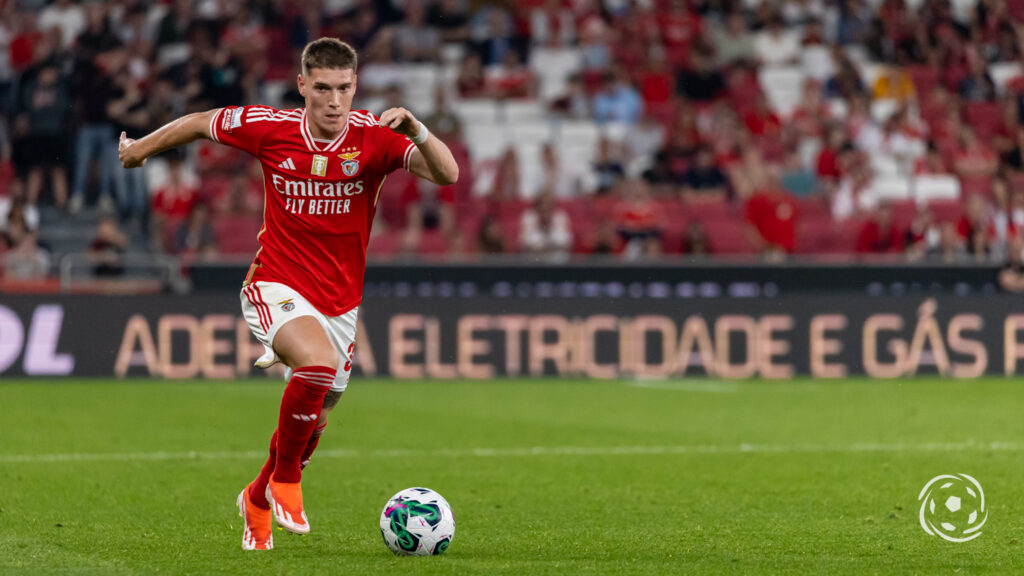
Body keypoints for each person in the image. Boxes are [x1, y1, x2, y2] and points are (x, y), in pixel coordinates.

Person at [118, 38, 458, 551]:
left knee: (318, 413)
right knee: (316, 367)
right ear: (302, 86)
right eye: (322, 87)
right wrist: (140, 149)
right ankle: (286, 485)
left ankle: (256, 497)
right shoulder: (272, 128)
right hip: (275, 281)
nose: (334, 100)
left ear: (355, 86)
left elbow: (447, 174)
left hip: (340, 302)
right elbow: (199, 121)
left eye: (344, 88)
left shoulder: (376, 139)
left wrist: (418, 129)